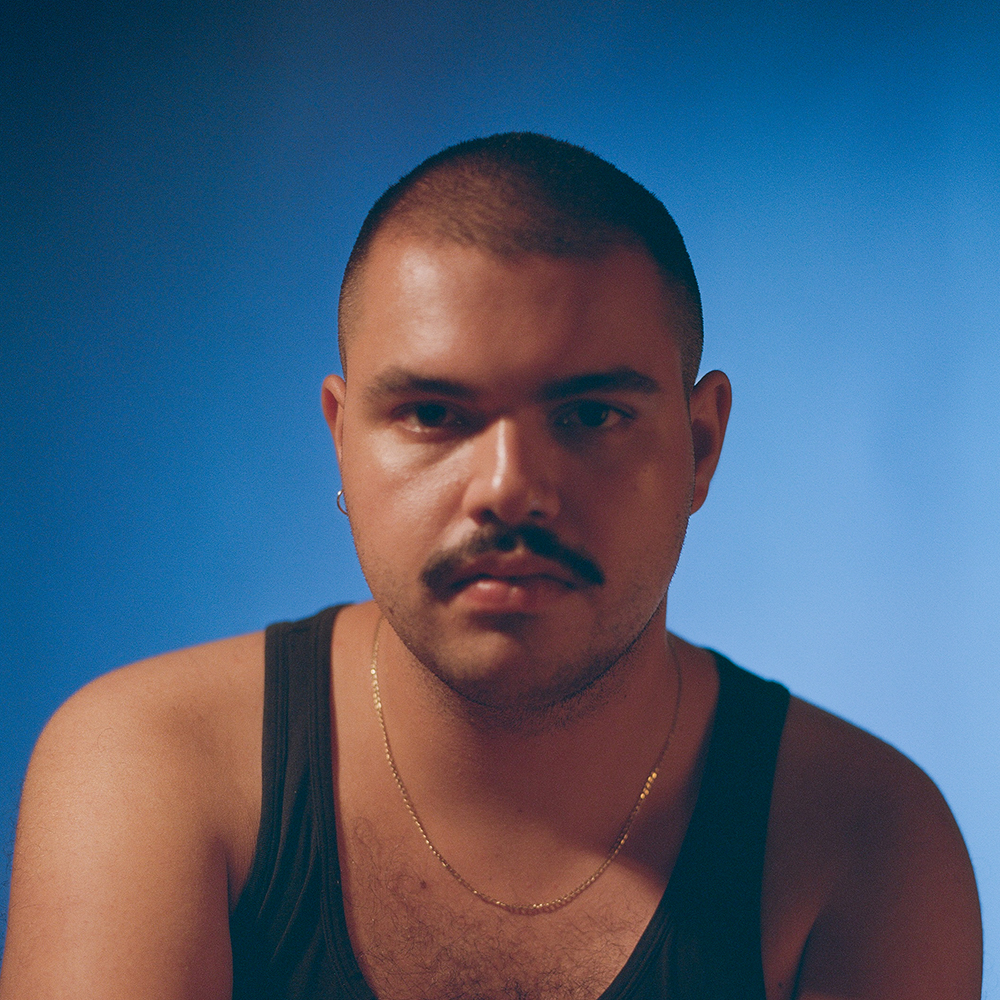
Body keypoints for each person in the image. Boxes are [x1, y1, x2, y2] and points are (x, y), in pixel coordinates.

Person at [0, 133, 981, 1000]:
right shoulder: (151, 771)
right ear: (342, 441)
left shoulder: (866, 840)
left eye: (589, 414)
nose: (510, 490)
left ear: (700, 445)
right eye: (432, 414)